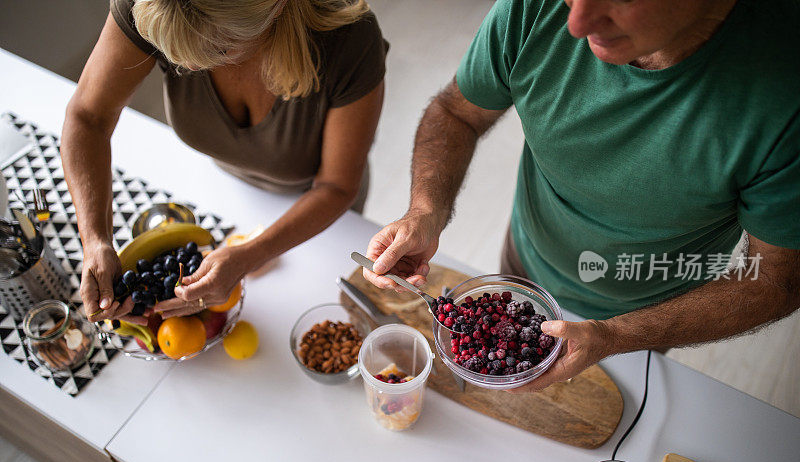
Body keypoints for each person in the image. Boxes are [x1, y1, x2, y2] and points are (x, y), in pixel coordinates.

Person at [362, 0, 800, 390]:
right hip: (525, 260)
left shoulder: (783, 98)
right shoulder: (534, 8)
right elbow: (456, 111)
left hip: (650, 309)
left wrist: (617, 337)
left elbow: (778, 280)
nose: (575, 23)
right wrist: (425, 211)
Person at [64, 0, 387, 321]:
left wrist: (251, 254)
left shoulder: (350, 36)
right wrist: (94, 239)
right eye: (173, 53)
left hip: (320, 207)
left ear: (275, 9)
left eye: (219, 51)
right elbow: (87, 117)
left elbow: (336, 186)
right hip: (229, 187)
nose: (189, 68)